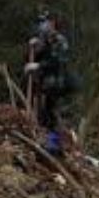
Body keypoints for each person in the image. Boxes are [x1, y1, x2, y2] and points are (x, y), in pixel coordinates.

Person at [24, 11, 71, 152]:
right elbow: (38, 54)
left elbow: (58, 61)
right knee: (42, 114)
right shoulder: (45, 40)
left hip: (56, 83)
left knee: (52, 114)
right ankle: (42, 142)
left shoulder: (60, 40)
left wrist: (38, 66)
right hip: (43, 83)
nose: (43, 26)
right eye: (41, 23)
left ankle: (54, 146)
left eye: (46, 22)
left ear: (52, 23)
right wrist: (35, 46)